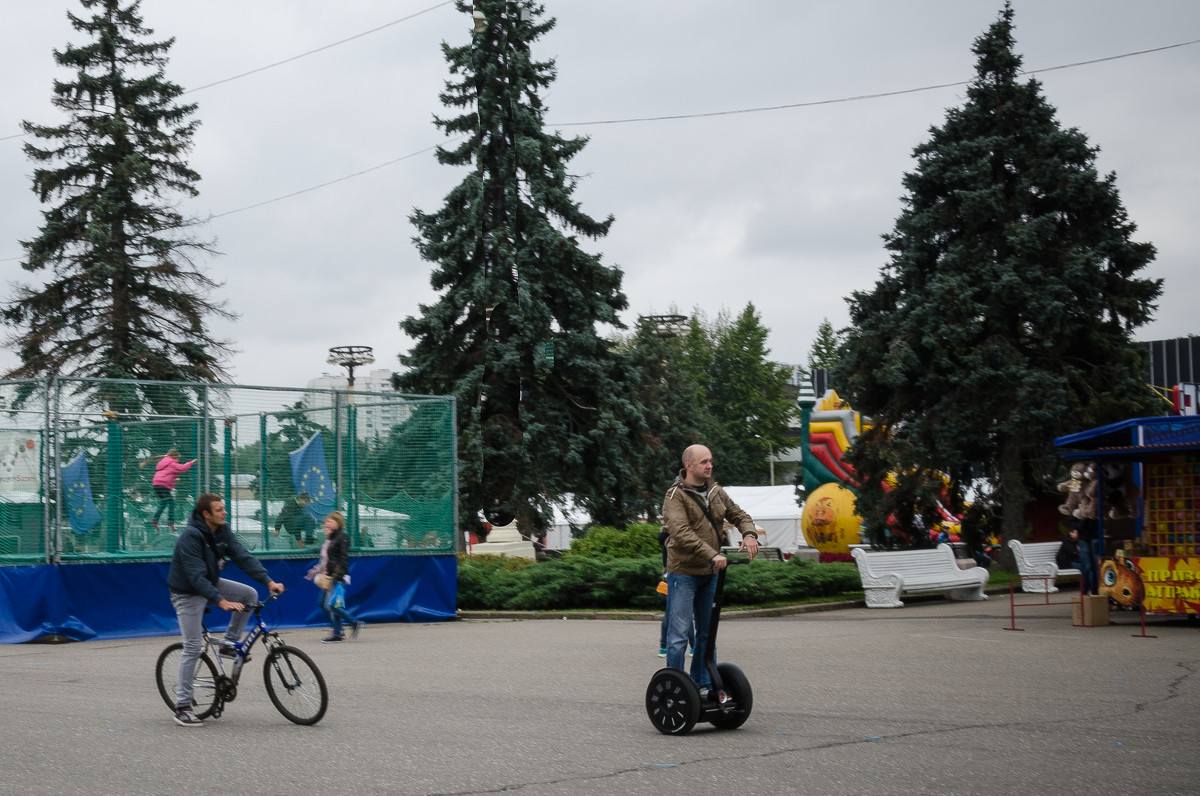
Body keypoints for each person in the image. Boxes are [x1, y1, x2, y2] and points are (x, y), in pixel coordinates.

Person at [166, 493, 284, 727]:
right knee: (192, 646)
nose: (225, 512)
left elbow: (242, 556)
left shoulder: (222, 530)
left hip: (208, 584)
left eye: (224, 508)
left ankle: (229, 645)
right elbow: (195, 576)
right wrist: (220, 601)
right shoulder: (191, 536)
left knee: (248, 594)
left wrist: (268, 581)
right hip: (186, 592)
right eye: (219, 509)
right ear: (206, 514)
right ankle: (183, 706)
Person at [661, 444, 759, 695]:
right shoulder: (675, 496)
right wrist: (712, 553)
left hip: (710, 575)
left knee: (707, 634)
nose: (709, 465)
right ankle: (675, 687)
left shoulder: (716, 491)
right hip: (683, 573)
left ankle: (703, 685)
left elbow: (740, 515)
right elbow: (681, 533)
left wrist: (749, 534)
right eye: (704, 461)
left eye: (711, 460)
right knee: (679, 637)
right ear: (689, 466)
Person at [308, 510, 362, 644]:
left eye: (329, 522)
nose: (326, 524)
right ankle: (338, 630)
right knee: (323, 603)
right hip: (329, 576)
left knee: (333, 606)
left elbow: (343, 557)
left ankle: (350, 624)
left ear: (337, 522)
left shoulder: (342, 537)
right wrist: (318, 570)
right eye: (326, 522)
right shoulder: (332, 537)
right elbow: (326, 558)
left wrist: (340, 576)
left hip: (337, 576)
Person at [657, 525, 694, 658]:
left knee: (669, 614)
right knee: (686, 614)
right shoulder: (676, 539)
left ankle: (663, 647)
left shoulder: (666, 539)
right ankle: (694, 646)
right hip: (682, 577)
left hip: (669, 577)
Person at [148, 449, 196, 532]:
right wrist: (191, 462)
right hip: (162, 485)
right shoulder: (172, 463)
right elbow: (182, 468)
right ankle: (170, 521)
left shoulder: (164, 462)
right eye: (178, 459)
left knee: (164, 503)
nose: (178, 461)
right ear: (174, 457)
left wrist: (174, 480)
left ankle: (155, 520)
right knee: (171, 502)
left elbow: (166, 475)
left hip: (157, 485)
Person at [1057, 525, 1098, 594]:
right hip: (1067, 563)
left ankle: (1091, 589)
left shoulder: (1077, 542)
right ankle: (1087, 590)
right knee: (1085, 568)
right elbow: (1073, 553)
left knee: (1089, 569)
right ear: (1071, 533)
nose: (1078, 534)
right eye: (1076, 532)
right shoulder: (1067, 541)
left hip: (1075, 562)